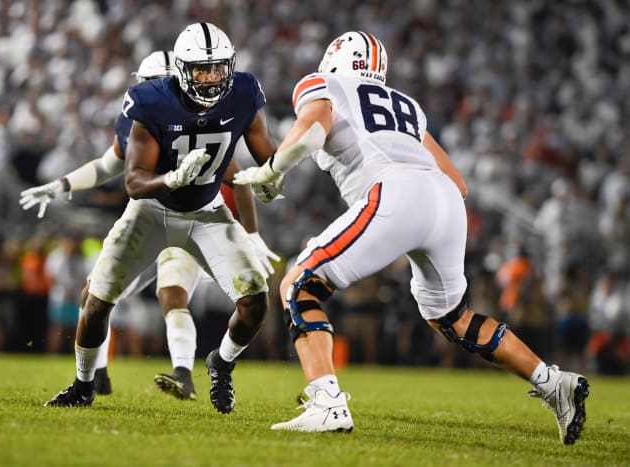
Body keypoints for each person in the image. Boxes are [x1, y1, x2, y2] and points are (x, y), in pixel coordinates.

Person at [234, 31, 590, 444]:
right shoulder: (405, 106)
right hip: (443, 201)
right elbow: (458, 183)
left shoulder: (323, 84)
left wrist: (272, 169)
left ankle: (326, 402)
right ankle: (552, 382)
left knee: (298, 285)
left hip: (395, 192)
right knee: (453, 317)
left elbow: (313, 128)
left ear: (334, 58)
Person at [43, 23, 278, 414]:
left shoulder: (243, 92)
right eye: (203, 70)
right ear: (182, 70)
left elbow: (262, 157)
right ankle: (85, 383)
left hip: (207, 214)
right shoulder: (150, 100)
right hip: (152, 211)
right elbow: (133, 182)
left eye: (219, 68)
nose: (213, 78)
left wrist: (273, 177)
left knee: (255, 301)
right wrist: (170, 177)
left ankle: (220, 362)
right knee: (97, 300)